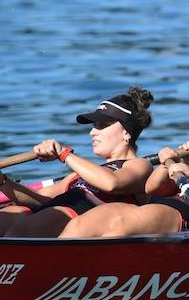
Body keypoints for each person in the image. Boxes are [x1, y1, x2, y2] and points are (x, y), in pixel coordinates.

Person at [61, 120, 189, 237]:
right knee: (80, 225)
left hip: (184, 218)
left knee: (120, 226)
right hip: (153, 207)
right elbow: (151, 188)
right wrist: (170, 160)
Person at [0, 88, 155, 237]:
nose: (92, 132)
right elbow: (39, 198)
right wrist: (3, 181)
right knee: (10, 214)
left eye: (102, 125)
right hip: (51, 215)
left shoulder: (139, 164)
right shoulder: (81, 174)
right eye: (94, 126)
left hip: (83, 221)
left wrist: (64, 154)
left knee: (23, 229)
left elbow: (111, 183)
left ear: (126, 133)